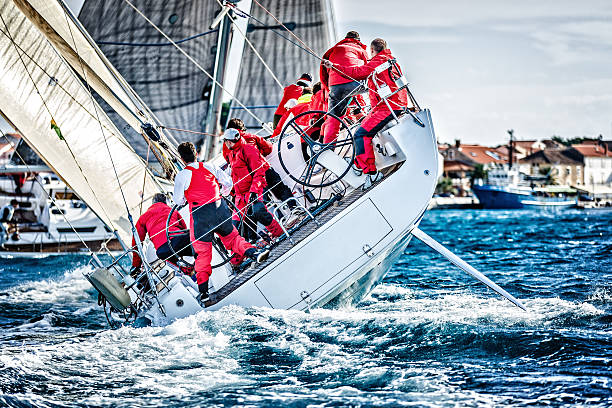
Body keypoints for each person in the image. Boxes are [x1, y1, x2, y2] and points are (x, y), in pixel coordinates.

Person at [173, 142, 269, 298]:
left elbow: (178, 201)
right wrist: (221, 193)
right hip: (220, 209)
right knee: (233, 239)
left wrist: (185, 199)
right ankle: (254, 253)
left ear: (182, 159)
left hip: (201, 217)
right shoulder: (209, 166)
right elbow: (228, 183)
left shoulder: (182, 175)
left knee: (203, 253)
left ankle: (203, 292)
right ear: (196, 153)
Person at [324, 38, 408, 187]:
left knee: (360, 134)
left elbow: (356, 72)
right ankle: (358, 162)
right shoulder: (392, 61)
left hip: (386, 108)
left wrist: (333, 67)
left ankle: (371, 173)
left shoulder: (377, 62)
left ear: (371, 50)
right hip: (394, 105)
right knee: (359, 129)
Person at [223, 129, 284, 242]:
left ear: (230, 141)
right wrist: (233, 193)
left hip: (253, 191)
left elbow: (259, 172)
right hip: (240, 196)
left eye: (226, 141)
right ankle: (240, 256)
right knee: (235, 227)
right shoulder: (231, 154)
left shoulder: (248, 149)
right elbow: (235, 176)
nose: (225, 144)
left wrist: (254, 191)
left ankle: (280, 233)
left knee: (259, 212)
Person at [224, 118, 296, 209]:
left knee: (262, 201)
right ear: (241, 128)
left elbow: (228, 159)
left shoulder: (227, 144)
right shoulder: (251, 136)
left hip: (249, 178)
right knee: (280, 189)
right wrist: (259, 153)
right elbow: (268, 148)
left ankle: (279, 220)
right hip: (264, 168)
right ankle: (295, 209)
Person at [320, 31, 368, 144]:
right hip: (354, 84)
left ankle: (329, 147)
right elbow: (369, 68)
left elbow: (323, 75)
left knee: (333, 119)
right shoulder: (359, 49)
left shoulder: (333, 50)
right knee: (375, 86)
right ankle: (379, 115)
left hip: (334, 86)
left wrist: (330, 90)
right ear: (358, 40)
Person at [130, 193, 192, 273]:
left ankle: (186, 271)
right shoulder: (171, 210)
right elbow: (183, 227)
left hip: (162, 251)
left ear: (153, 204)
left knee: (173, 257)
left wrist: (136, 265)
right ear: (166, 202)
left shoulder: (143, 217)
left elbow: (136, 242)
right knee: (199, 248)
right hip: (177, 241)